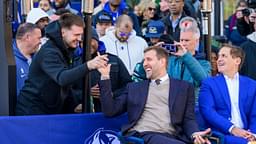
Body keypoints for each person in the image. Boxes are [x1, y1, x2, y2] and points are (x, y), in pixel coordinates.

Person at [98, 46, 211, 144]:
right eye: (144, 60)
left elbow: (188, 119)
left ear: (162, 62)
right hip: (144, 135)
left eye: (149, 59)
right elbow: (110, 110)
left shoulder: (184, 88)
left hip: (172, 137)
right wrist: (105, 77)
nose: (144, 64)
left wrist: (195, 134)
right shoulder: (134, 88)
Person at [16, 13, 108, 115]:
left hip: (50, 109)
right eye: (76, 35)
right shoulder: (49, 52)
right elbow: (62, 78)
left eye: (80, 35)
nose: (79, 39)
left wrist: (73, 104)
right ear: (63, 32)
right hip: (32, 110)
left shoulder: (67, 49)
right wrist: (89, 65)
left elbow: (66, 85)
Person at [199, 44, 256, 144]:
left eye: (224, 56)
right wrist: (232, 128)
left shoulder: (251, 85)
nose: (218, 60)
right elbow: (208, 111)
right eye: (218, 57)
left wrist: (253, 134)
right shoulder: (209, 83)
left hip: (247, 134)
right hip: (222, 135)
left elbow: (254, 114)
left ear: (237, 61)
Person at [73, 28, 132, 112]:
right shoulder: (75, 63)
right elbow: (69, 91)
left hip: (113, 111)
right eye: (83, 41)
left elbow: (128, 86)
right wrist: (86, 93)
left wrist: (111, 94)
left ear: (97, 40)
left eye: (91, 40)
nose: (87, 44)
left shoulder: (114, 60)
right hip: (86, 113)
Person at [12, 23, 42, 96]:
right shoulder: (10, 61)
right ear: (28, 37)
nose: (40, 41)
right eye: (39, 38)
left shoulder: (38, 58)